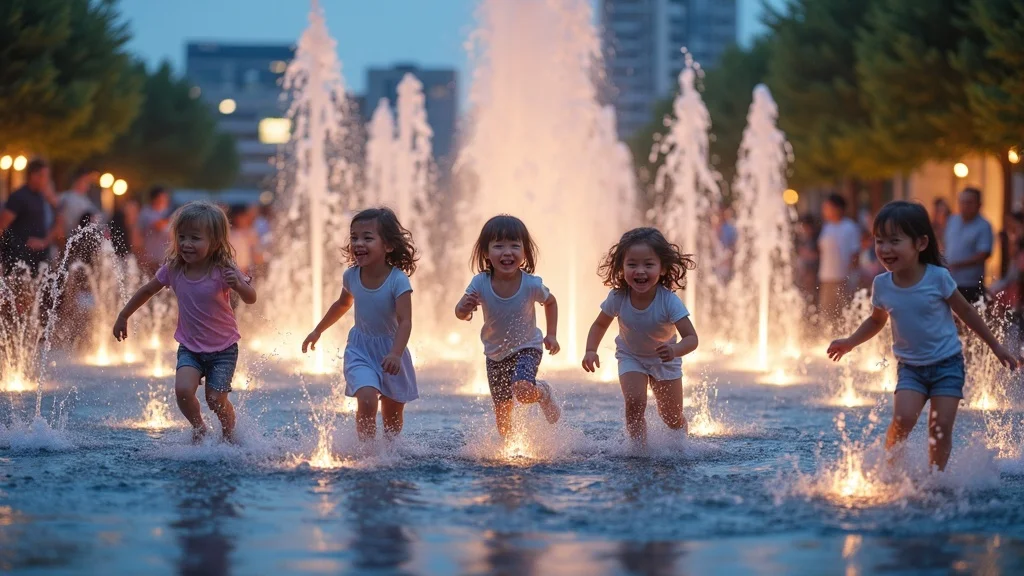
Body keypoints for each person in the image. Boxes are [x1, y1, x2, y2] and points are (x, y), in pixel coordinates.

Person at [827, 201, 1018, 471]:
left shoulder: (938, 277)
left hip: (947, 365)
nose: (885, 249)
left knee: (939, 428)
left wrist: (996, 346)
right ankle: (890, 469)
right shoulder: (882, 284)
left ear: (920, 243)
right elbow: (875, 321)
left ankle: (935, 477)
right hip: (911, 369)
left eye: (894, 240)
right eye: (879, 241)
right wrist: (849, 342)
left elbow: (965, 311)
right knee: (903, 419)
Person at [113, 202, 257, 443]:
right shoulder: (174, 268)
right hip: (190, 347)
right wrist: (123, 315)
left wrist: (239, 285)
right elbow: (148, 290)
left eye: (195, 238)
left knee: (215, 399)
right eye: (182, 237)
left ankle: (230, 435)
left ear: (214, 241)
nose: (187, 244)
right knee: (182, 392)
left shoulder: (222, 269)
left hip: (223, 348)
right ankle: (199, 427)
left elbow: (251, 298)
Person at [302, 208, 419, 442]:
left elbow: (405, 321)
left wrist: (396, 354)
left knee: (392, 414)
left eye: (367, 237)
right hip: (360, 349)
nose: (358, 243)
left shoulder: (398, 280)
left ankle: (389, 451)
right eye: (354, 237)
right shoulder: (351, 276)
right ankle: (366, 451)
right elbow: (342, 304)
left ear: (388, 245)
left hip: (390, 351)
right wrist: (318, 330)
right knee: (366, 398)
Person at [581, 227, 699, 447]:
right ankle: (638, 448)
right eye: (632, 264)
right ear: (621, 268)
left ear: (662, 268)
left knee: (671, 418)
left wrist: (674, 351)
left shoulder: (669, 301)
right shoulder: (618, 296)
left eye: (648, 264)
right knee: (634, 403)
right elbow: (599, 324)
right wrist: (590, 350)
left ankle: (681, 443)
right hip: (631, 356)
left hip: (665, 360)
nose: (640, 271)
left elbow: (692, 338)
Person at [454, 215, 561, 438]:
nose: (507, 252)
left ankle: (542, 392)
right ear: (486, 252)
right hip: (494, 355)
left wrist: (551, 335)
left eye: (515, 245)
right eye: (499, 246)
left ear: (525, 252)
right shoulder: (480, 283)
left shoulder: (531, 284)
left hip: (527, 347)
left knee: (523, 391)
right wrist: (464, 308)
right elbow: (461, 313)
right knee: (502, 413)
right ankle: (508, 449)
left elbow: (550, 301)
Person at [0, 159, 62, 278]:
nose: (47, 180)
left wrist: (44, 242)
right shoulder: (19, 197)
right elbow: (2, 226)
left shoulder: (44, 197)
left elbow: (58, 223)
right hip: (20, 259)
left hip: (41, 259)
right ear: (33, 176)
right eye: (44, 176)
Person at [817, 194, 861, 329]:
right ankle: (826, 338)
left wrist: (851, 274)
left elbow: (855, 253)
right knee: (826, 312)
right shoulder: (827, 226)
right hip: (826, 276)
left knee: (844, 312)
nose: (824, 211)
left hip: (843, 277)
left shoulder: (850, 227)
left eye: (827, 207)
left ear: (838, 208)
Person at [944, 187, 993, 304]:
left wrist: (957, 265)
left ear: (979, 204)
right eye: (962, 202)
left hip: (970, 284)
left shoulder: (984, 226)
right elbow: (945, 243)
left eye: (969, 202)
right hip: (949, 281)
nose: (965, 206)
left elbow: (983, 254)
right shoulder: (952, 220)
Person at [137, 185, 172, 272]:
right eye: (161, 197)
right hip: (150, 255)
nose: (164, 200)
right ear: (154, 198)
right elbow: (157, 226)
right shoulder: (147, 212)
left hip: (166, 255)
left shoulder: (167, 211)